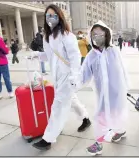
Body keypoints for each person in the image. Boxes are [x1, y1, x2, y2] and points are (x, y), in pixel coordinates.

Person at [31, 4, 91, 150]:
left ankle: (48, 138)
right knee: (71, 100)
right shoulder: (47, 37)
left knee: (58, 105)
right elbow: (50, 56)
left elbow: (75, 56)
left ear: (59, 17)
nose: (50, 18)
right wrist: (38, 55)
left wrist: (75, 76)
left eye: (53, 15)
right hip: (57, 76)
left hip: (68, 75)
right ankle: (86, 118)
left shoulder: (66, 35)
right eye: (48, 15)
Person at [74, 20, 129, 156]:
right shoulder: (91, 56)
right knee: (101, 118)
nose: (96, 37)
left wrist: (125, 88)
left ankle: (120, 130)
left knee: (118, 113)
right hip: (102, 95)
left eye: (100, 34)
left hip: (116, 92)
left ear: (106, 35)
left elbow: (122, 70)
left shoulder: (114, 51)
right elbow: (84, 75)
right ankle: (99, 144)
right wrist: (74, 82)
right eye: (94, 34)